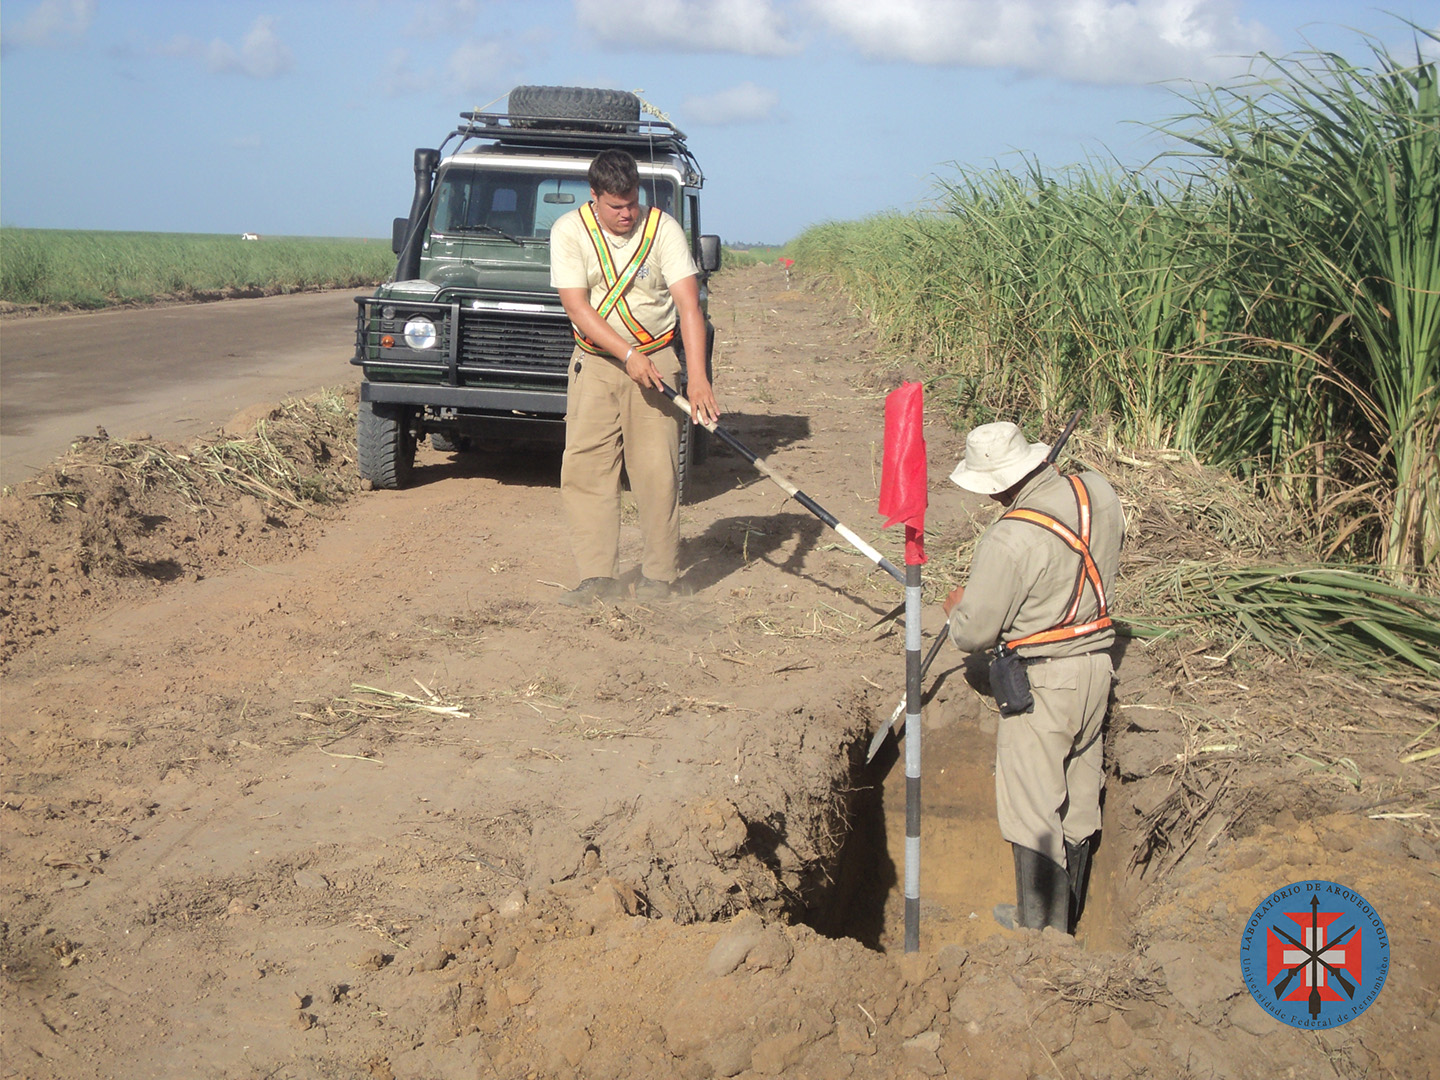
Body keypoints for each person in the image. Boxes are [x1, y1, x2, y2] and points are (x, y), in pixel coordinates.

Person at [942, 421, 1124, 933]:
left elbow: (974, 633)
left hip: (1044, 684)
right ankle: (1067, 919)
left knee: (1031, 811)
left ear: (996, 483)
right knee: (1080, 803)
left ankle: (1042, 934)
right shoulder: (1099, 494)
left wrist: (957, 609)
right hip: (1097, 669)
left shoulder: (1009, 537)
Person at [549, 148, 720, 606]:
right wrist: (626, 354)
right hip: (597, 365)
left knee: (656, 471)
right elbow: (577, 308)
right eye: (615, 206)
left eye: (632, 203)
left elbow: (689, 307)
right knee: (587, 469)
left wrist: (698, 378)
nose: (626, 214)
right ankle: (596, 577)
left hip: (658, 361)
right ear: (594, 197)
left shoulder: (662, 228)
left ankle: (659, 576)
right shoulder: (569, 232)